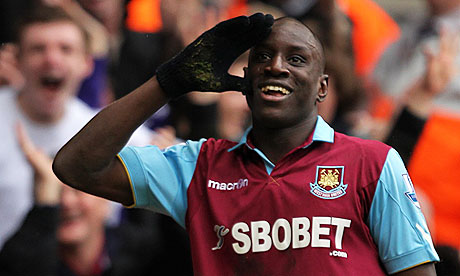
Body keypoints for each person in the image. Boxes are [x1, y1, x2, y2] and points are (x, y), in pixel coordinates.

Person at [53, 13, 439, 275]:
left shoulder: (373, 163)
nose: (276, 66)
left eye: (297, 58)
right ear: (245, 78)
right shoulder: (197, 167)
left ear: (322, 87)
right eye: (264, 57)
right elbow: (76, 166)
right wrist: (167, 83)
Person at [0, 4, 156, 250]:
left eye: (65, 49)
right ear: (16, 60)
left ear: (87, 64)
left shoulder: (104, 131)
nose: (51, 59)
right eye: (38, 49)